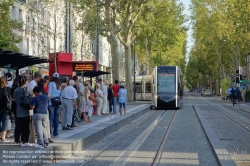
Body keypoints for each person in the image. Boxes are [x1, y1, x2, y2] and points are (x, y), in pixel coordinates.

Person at [13, 75, 34, 146]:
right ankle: (25, 140)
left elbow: (14, 100)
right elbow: (34, 96)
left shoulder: (16, 90)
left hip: (18, 111)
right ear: (25, 82)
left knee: (18, 126)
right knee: (26, 127)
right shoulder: (28, 89)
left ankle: (17, 140)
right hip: (26, 111)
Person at [37, 79, 53, 143]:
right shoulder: (42, 91)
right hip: (44, 109)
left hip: (40, 109)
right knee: (45, 124)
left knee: (44, 124)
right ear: (43, 84)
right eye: (46, 83)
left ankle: (46, 137)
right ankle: (47, 137)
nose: (47, 84)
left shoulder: (40, 90)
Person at [48, 72, 61, 137]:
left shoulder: (51, 84)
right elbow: (60, 94)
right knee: (56, 118)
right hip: (58, 102)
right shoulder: (59, 85)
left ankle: (50, 132)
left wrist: (49, 98)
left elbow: (49, 93)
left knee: (51, 118)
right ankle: (56, 132)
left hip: (52, 102)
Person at [0, 76, 12, 142]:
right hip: (5, 108)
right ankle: (3, 137)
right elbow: (10, 98)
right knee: (5, 122)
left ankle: (0, 135)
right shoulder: (7, 89)